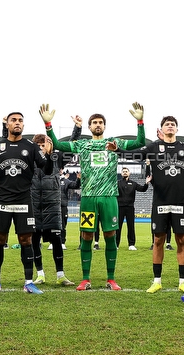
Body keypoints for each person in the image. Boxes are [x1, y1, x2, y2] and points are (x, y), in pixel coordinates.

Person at [39, 102, 146, 291]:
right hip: (88, 197)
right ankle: (85, 279)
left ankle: (111, 279)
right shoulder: (82, 144)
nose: (98, 125)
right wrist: (48, 125)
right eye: (94, 122)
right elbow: (58, 145)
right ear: (89, 127)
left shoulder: (114, 143)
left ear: (104, 126)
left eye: (100, 122)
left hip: (109, 197)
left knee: (110, 235)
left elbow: (139, 142)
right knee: (87, 236)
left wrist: (140, 122)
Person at [0, 112, 53, 295]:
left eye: (20, 120)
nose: (17, 123)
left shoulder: (31, 147)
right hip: (1, 201)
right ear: (7, 125)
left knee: (26, 240)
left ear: (23, 125)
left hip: (23, 201)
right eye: (14, 120)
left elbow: (47, 170)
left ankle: (29, 282)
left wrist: (49, 155)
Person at [139, 116, 184, 294]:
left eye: (173, 124)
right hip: (160, 202)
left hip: (181, 202)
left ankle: (183, 282)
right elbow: (132, 153)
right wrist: (117, 149)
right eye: (167, 124)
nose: (170, 126)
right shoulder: (154, 147)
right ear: (162, 129)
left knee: (182, 240)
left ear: (177, 129)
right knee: (158, 240)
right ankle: (157, 281)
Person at [30, 134, 75, 286]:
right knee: (34, 241)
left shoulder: (57, 158)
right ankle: (40, 274)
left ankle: (60, 275)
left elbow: (70, 147)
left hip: (53, 206)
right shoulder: (29, 160)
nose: (41, 148)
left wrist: (77, 129)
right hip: (34, 206)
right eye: (38, 146)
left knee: (57, 240)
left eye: (43, 145)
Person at [115, 166, 148, 250]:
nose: (125, 172)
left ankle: (131, 244)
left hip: (130, 207)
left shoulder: (133, 184)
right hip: (120, 207)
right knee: (118, 227)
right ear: (121, 173)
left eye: (126, 171)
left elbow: (143, 189)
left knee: (131, 226)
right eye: (123, 171)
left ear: (129, 173)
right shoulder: (117, 183)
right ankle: (116, 244)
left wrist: (146, 183)